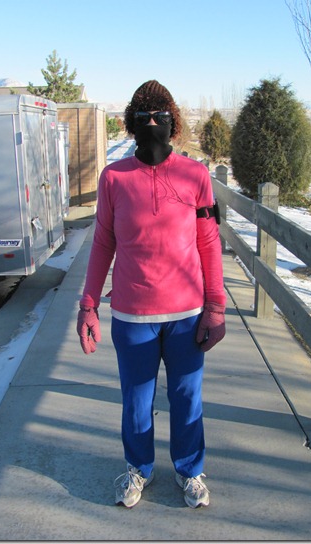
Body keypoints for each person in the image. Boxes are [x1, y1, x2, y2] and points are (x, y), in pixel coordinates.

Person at [77, 80, 226, 509]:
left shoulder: (195, 175)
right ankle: (139, 467)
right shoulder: (114, 178)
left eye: (160, 116)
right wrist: (88, 305)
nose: (153, 124)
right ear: (131, 124)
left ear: (173, 122)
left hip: (187, 314)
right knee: (136, 401)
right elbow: (103, 242)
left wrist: (216, 307)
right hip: (132, 316)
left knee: (187, 398)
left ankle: (190, 470)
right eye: (143, 117)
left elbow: (208, 242)